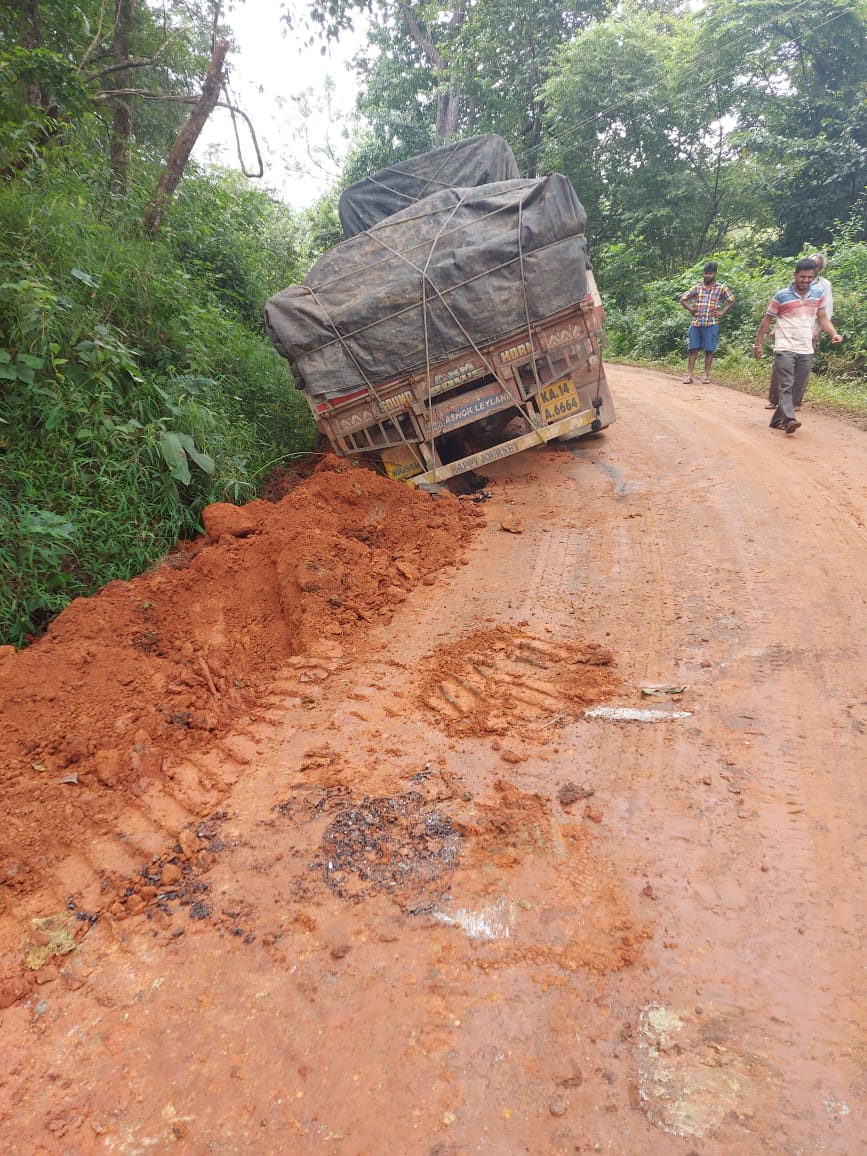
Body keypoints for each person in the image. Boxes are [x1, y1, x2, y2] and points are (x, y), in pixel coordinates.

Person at [754, 257, 842, 435]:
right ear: (795, 275)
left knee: (798, 386)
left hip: (806, 347)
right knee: (786, 383)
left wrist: (834, 334)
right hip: (784, 346)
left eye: (810, 277)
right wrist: (757, 345)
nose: (806, 281)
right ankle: (789, 419)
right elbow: (767, 321)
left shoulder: (817, 294)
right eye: (802, 277)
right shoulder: (781, 296)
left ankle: (776, 420)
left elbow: (823, 318)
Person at [765, 252, 834, 409]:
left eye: (816, 266)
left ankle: (794, 403)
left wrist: (819, 332)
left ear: (820, 268)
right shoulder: (796, 283)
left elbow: (825, 313)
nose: (809, 275)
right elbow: (785, 309)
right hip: (787, 333)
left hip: (810, 331)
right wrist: (776, 329)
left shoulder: (824, 286)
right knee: (781, 368)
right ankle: (775, 399)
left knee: (802, 371)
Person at [679, 262, 736, 384]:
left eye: (710, 273)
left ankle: (705, 376)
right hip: (696, 322)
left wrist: (722, 312)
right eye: (706, 273)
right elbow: (683, 299)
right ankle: (689, 375)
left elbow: (731, 300)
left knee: (709, 350)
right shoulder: (697, 287)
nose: (707, 276)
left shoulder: (721, 288)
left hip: (711, 323)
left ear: (715, 274)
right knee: (692, 349)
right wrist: (691, 309)